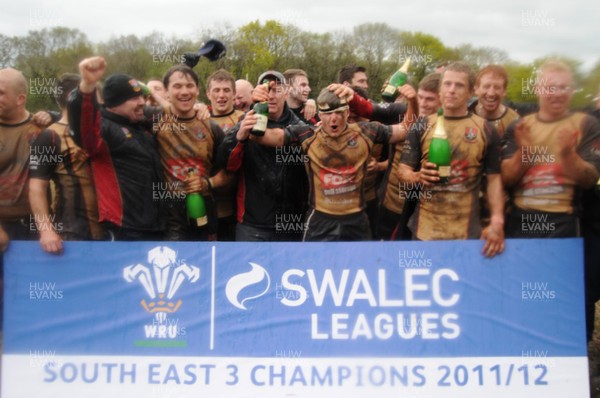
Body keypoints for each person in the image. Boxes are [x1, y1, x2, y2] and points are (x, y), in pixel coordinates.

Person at [234, 86, 416, 241]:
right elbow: (261, 136)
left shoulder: (367, 131)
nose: (333, 119)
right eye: (328, 114)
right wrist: (257, 106)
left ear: (347, 112)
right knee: (313, 270)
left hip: (357, 220)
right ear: (320, 114)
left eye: (338, 112)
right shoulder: (307, 134)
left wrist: (412, 101)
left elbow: (406, 129)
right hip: (320, 220)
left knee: (358, 269)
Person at [398, 61, 504, 257]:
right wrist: (418, 177)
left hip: (466, 234)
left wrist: (497, 221)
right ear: (440, 89)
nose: (451, 90)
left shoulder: (486, 129)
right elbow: (403, 171)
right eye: (447, 84)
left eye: (459, 85)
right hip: (424, 232)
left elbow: (494, 179)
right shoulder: (422, 125)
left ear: (471, 91)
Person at [68, 56, 166, 240]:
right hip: (125, 230)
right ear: (114, 103)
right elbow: (83, 127)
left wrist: (200, 108)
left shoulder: (139, 124)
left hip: (156, 226)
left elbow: (173, 114)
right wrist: (87, 86)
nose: (141, 103)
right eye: (134, 98)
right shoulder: (104, 129)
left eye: (142, 96)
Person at [218, 71, 308, 241]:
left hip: (291, 223)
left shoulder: (300, 126)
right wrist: (239, 136)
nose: (271, 96)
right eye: (267, 90)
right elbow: (226, 164)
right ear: (257, 93)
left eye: (277, 90)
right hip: (252, 223)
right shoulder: (246, 121)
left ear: (286, 92)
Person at [29, 73, 105, 254]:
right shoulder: (49, 135)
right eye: (97, 96)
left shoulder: (103, 130)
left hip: (109, 233)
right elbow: (36, 188)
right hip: (72, 234)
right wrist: (46, 229)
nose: (102, 103)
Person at [153, 64, 229, 241]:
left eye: (189, 86)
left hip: (204, 206)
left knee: (204, 263)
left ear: (198, 90)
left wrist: (207, 183)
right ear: (166, 91)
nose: (184, 92)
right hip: (168, 210)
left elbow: (230, 172)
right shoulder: (154, 120)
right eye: (177, 86)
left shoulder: (212, 127)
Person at [205, 69, 244, 241]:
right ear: (208, 94)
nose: (221, 95)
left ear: (234, 94)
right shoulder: (198, 119)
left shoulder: (245, 119)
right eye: (216, 90)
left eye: (227, 90)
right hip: (205, 207)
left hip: (239, 210)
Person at [470, 65, 519, 136]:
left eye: (497, 87)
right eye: (486, 87)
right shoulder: (464, 115)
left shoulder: (515, 122)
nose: (491, 93)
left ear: (504, 91)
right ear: (476, 89)